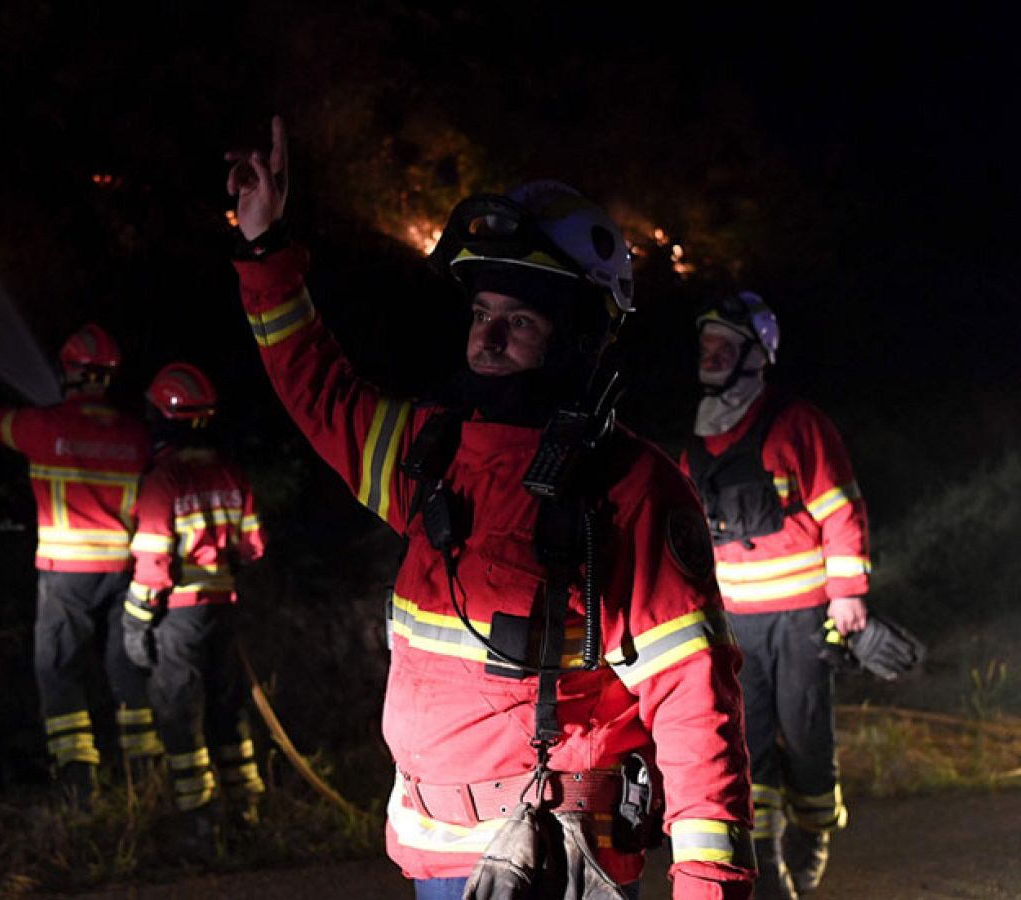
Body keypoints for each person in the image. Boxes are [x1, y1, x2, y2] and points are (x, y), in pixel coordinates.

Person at [225, 117, 755, 899]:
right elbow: (317, 390)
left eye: (522, 321)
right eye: (481, 314)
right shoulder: (432, 453)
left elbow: (695, 704)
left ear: (578, 340)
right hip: (432, 858)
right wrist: (265, 250)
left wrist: (711, 886)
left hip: (556, 865)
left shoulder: (629, 489)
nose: (490, 338)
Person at [681, 293, 870, 898]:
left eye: (724, 346)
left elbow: (841, 509)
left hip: (803, 615)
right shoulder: (697, 437)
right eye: (705, 344)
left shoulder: (797, 424)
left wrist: (847, 594)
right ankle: (765, 857)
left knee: (807, 732)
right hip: (735, 621)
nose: (710, 355)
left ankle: (813, 828)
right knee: (746, 740)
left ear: (755, 356)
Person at [0, 323, 161, 806]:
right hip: (123, 571)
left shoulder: (43, 426)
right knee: (125, 668)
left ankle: (78, 778)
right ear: (110, 376)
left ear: (67, 371)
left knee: (58, 669)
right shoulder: (135, 434)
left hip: (65, 574)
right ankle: (143, 774)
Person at [121, 361, 268, 849]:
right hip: (224, 609)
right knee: (229, 708)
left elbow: (153, 563)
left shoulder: (164, 479)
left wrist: (136, 623)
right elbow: (253, 548)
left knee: (179, 713)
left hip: (178, 616)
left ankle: (199, 822)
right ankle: (246, 811)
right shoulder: (231, 471)